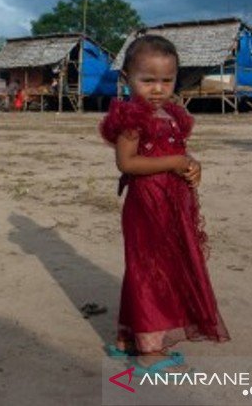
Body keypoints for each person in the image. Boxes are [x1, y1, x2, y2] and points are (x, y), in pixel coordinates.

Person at [99, 35, 230, 375]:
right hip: (147, 205)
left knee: (153, 267)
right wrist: (174, 161)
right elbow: (127, 164)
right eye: (148, 80)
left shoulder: (170, 113)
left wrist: (191, 164)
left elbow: (175, 152)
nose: (158, 88)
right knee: (149, 270)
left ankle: (129, 339)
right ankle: (150, 351)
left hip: (171, 204)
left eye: (166, 80)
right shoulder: (131, 118)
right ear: (127, 77)